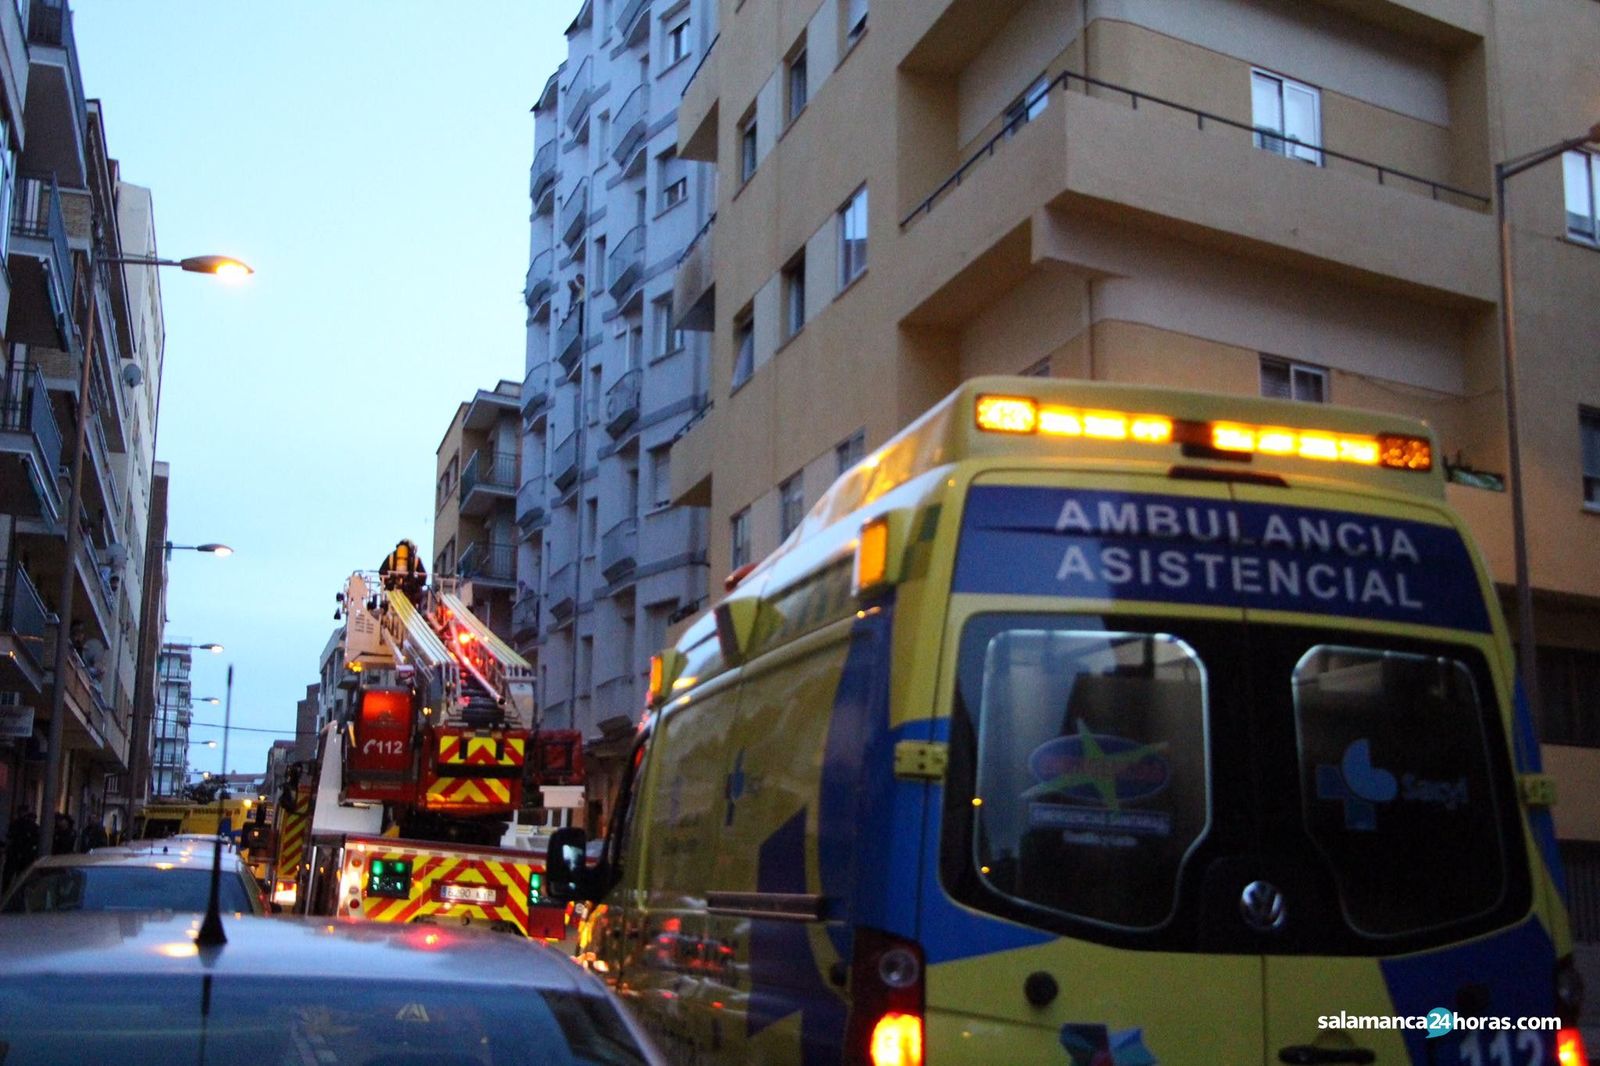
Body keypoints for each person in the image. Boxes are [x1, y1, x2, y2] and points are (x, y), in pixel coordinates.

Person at [379, 539, 427, 605]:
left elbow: (381, 572)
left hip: (392, 594)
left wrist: (390, 581)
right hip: (410, 596)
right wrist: (414, 583)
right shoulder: (415, 559)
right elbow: (423, 577)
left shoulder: (391, 557)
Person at [3, 809, 38, 888]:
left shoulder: (17, 824)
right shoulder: (20, 825)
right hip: (20, 854)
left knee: (12, 875)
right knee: (17, 875)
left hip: (19, 854)